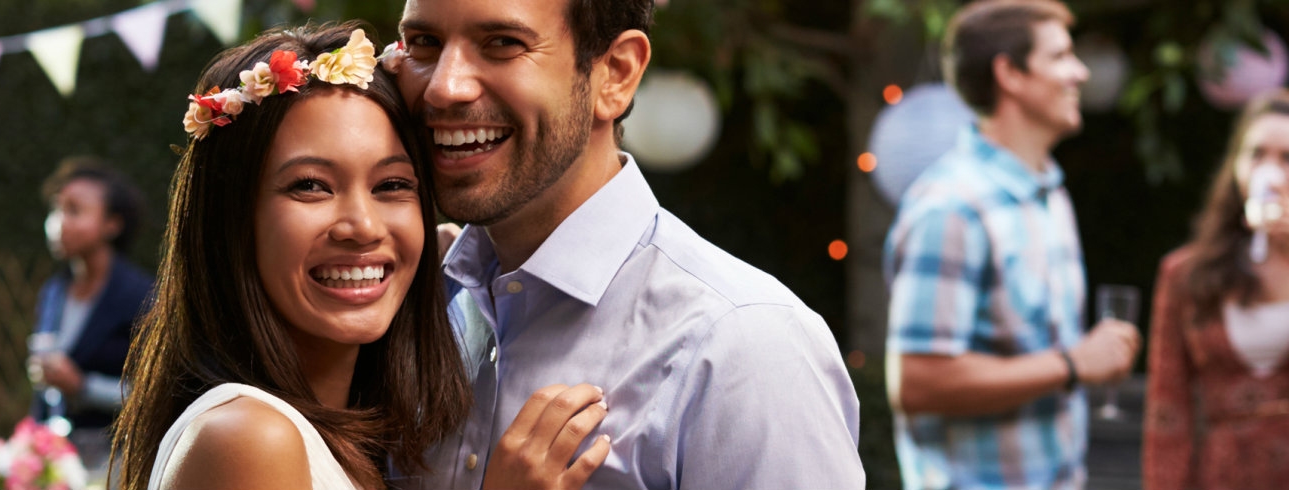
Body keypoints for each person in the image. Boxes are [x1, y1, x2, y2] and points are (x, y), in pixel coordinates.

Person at [114, 23, 616, 490]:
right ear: (231, 217)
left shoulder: (360, 431)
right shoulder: (249, 437)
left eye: (392, 185)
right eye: (310, 186)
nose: (364, 227)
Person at [391, 0, 865, 487]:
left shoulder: (743, 347)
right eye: (425, 43)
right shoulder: (411, 304)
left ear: (616, 74)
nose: (445, 86)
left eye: (503, 44)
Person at [883, 0, 1143, 488]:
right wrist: (1072, 364)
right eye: (1061, 56)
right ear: (1011, 74)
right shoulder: (951, 208)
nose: (1080, 72)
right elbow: (917, 381)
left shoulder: (1051, 192)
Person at [1144, 89, 1289, 489]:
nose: (1271, 173)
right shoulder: (1187, 274)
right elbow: (1168, 409)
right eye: (1257, 154)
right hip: (1224, 476)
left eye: (1287, 158)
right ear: (1236, 167)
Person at [31, 157, 154, 474]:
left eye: (74, 210)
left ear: (112, 224)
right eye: (56, 210)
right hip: (58, 461)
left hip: (118, 463)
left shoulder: (142, 296)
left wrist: (83, 386)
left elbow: (156, 392)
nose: (57, 223)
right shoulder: (54, 292)